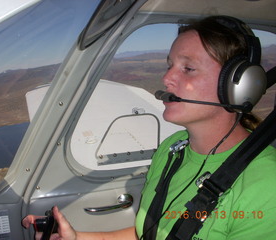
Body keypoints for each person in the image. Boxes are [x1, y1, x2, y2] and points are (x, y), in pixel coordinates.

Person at [22, 15, 276, 240]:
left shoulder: (266, 186)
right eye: (170, 65)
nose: (166, 79)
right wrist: (77, 238)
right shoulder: (171, 149)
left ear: (238, 86)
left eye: (188, 68)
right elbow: (150, 232)